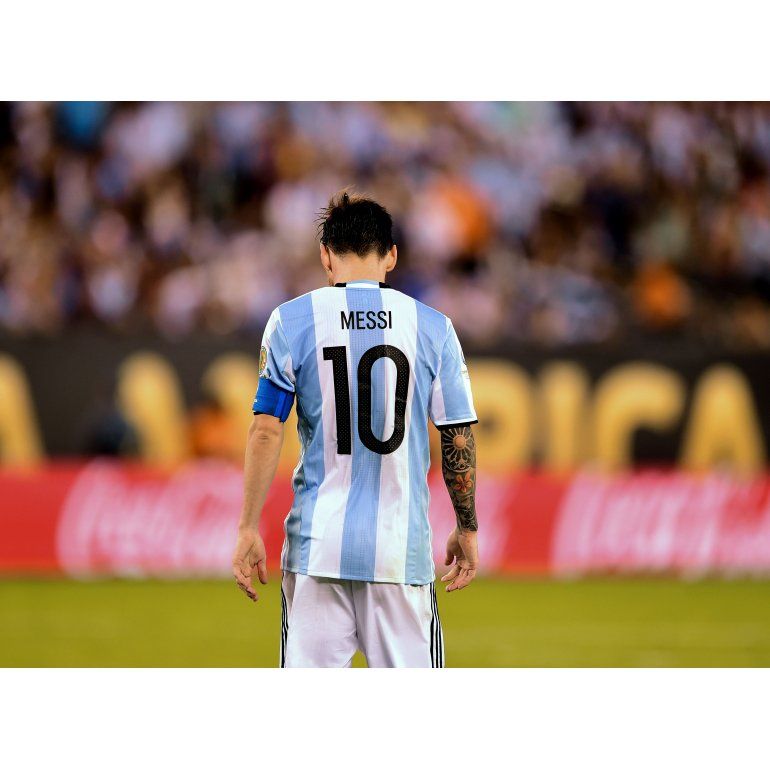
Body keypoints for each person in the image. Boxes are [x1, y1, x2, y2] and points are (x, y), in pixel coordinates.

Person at [232, 192, 479, 668]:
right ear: (391, 256)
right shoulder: (433, 327)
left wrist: (247, 526)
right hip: (398, 553)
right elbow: (458, 436)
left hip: (316, 552)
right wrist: (466, 526)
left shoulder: (291, 320)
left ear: (326, 256)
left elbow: (266, 429)